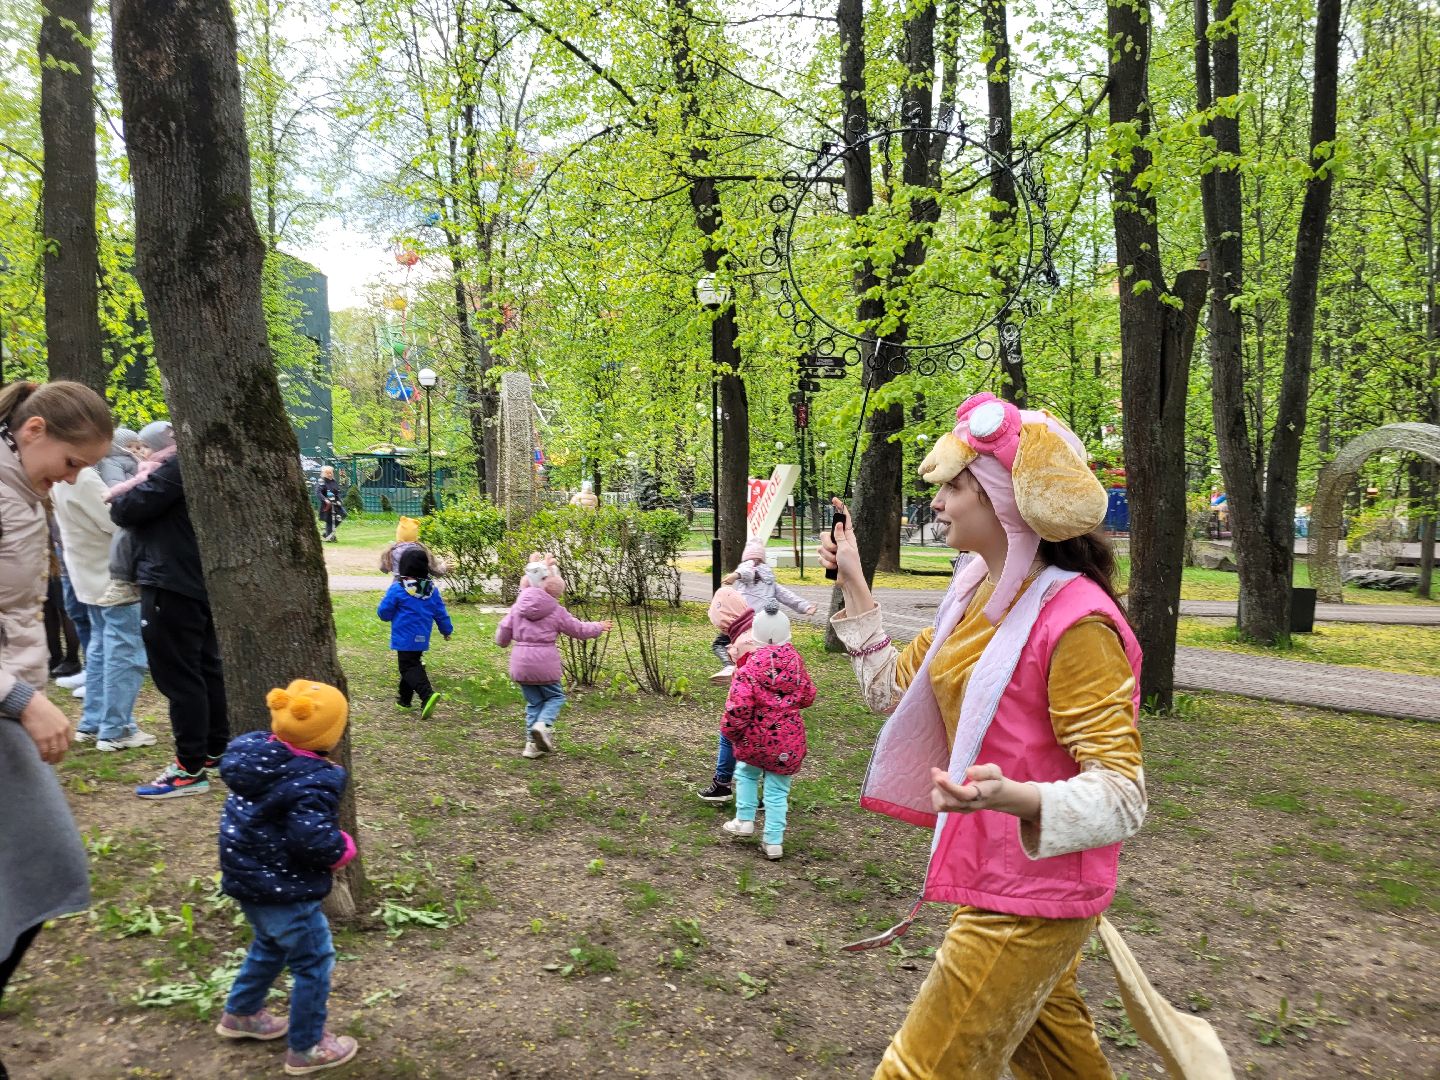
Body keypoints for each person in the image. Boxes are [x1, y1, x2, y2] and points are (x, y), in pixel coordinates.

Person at [819, 392, 1144, 1079]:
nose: (937, 500)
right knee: (1063, 1066)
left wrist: (1017, 797)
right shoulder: (973, 593)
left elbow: (1124, 795)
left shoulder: (1077, 622)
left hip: (1033, 898)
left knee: (918, 1069)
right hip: (997, 880)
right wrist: (852, 581)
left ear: (1001, 500)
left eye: (955, 486)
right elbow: (887, 691)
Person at [0, 381, 113, 1071]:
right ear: (34, 429)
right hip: (6, 706)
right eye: (72, 462)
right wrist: (22, 699)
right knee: (47, 865)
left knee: (34, 874)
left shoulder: (23, 489)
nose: (74, 479)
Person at [213, 679, 360, 1075]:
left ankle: (241, 1013)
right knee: (314, 960)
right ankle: (308, 1046)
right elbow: (310, 839)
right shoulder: (311, 779)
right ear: (331, 735)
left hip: (248, 879)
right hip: (284, 888)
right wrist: (341, 848)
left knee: (269, 944)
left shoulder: (256, 758)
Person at [109, 419, 231, 800]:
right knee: (204, 668)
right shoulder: (193, 467)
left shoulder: (174, 469)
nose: (141, 456)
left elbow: (125, 509)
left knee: (179, 676)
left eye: (144, 449)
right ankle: (213, 749)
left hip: (170, 581)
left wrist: (140, 482)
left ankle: (189, 767)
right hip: (191, 580)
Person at [51, 456, 156, 751]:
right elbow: (115, 521)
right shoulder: (82, 477)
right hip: (109, 577)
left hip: (87, 575)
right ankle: (116, 728)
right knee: (126, 652)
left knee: (100, 649)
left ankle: (93, 722)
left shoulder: (60, 475)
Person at [718, 600, 815, 860]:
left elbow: (738, 707)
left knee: (747, 774)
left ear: (755, 637)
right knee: (778, 790)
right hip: (788, 739)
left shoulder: (749, 668)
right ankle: (773, 841)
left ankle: (745, 819)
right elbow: (808, 696)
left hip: (754, 738)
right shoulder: (795, 664)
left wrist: (730, 731)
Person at [495, 553, 611, 759]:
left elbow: (504, 629)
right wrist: (599, 627)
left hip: (521, 664)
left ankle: (532, 746)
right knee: (555, 697)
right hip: (544, 664)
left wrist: (502, 642)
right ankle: (543, 725)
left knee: (534, 703)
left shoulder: (518, 607)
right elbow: (578, 629)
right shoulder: (556, 611)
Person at [709, 536, 815, 684]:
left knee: (720, 644)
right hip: (762, 624)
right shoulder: (770, 580)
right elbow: (787, 596)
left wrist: (735, 575)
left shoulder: (748, 568)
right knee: (760, 651)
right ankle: (763, 675)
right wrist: (805, 606)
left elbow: (747, 571)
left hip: (741, 621)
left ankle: (730, 667)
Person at [696, 586, 759, 804]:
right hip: (766, 704)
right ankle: (762, 796)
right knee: (758, 746)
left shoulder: (744, 641)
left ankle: (723, 785)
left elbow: (749, 677)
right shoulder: (755, 628)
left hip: (748, 704)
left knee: (729, 735)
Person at [377, 547, 453, 720]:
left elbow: (384, 612)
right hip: (421, 638)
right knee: (411, 664)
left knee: (407, 667)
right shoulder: (431, 590)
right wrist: (446, 630)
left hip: (404, 638)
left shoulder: (398, 589)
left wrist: (385, 614)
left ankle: (427, 695)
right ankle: (404, 700)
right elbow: (441, 613)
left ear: (403, 567)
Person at [377, 516, 447, 580]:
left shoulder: (392, 550)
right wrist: (444, 566)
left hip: (399, 585)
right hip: (421, 586)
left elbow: (383, 568)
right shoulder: (422, 550)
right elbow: (436, 570)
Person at [316, 465, 343, 543]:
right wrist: (325, 499)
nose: (330, 474)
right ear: (324, 473)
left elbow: (337, 491)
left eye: (331, 472)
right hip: (327, 505)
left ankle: (327, 534)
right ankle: (329, 536)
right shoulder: (322, 481)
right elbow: (318, 493)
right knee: (329, 521)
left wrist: (339, 499)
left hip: (336, 503)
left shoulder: (333, 481)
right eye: (327, 473)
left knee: (342, 515)